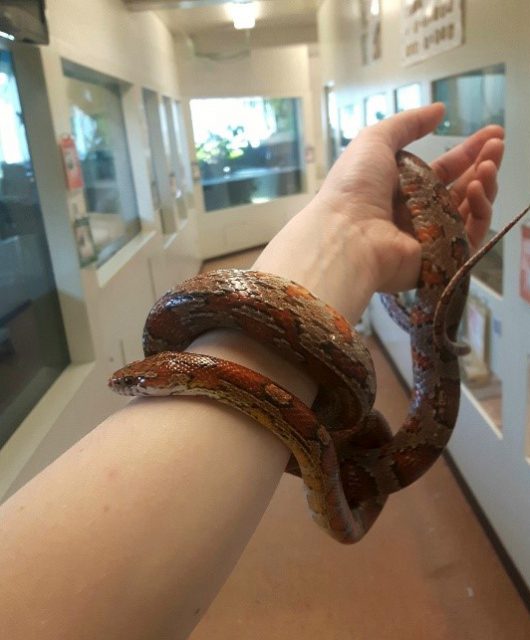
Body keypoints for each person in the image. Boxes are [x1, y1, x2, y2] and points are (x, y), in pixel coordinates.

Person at [0, 103, 504, 640]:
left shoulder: (207, 370)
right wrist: (345, 231)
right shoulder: (213, 377)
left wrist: (349, 238)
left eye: (135, 383)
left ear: (172, 376)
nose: (129, 389)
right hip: (300, 382)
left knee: (398, 371)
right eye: (135, 382)